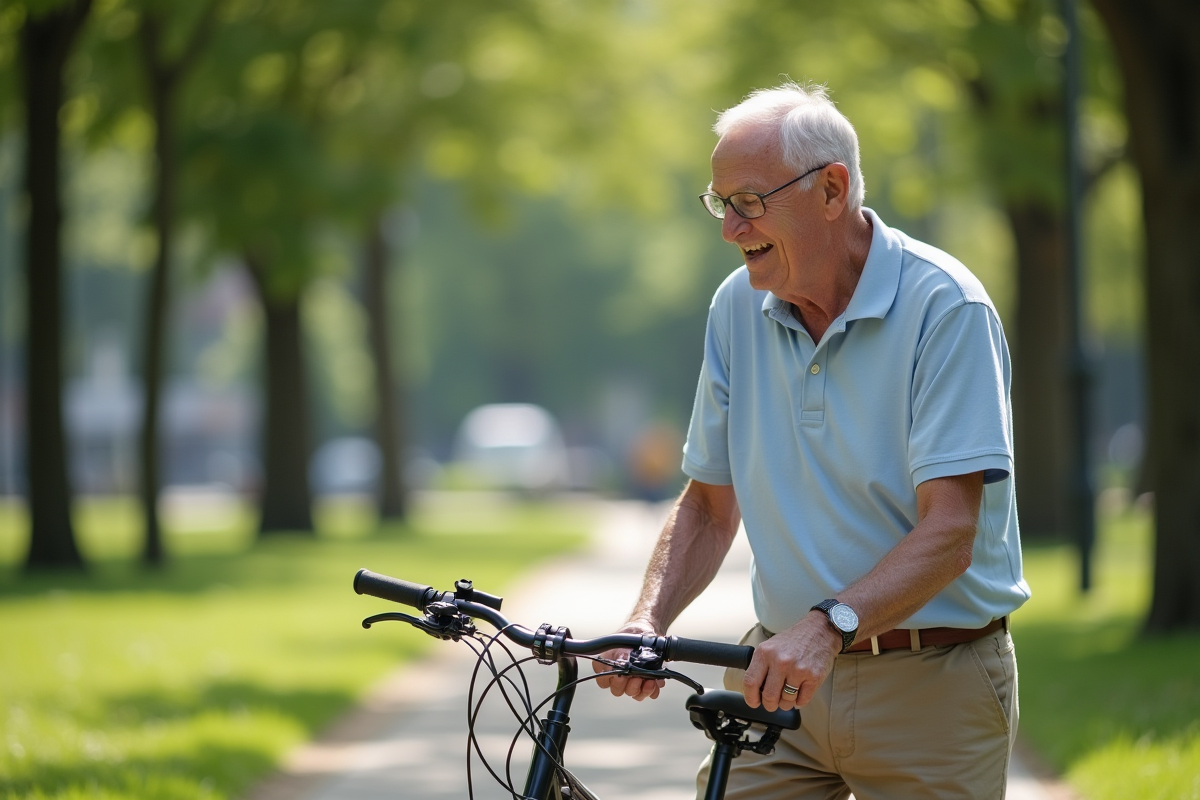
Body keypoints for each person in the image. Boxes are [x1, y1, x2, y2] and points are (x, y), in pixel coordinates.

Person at [594, 82, 1031, 799]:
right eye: (720, 203)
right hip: (777, 681)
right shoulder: (736, 307)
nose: (730, 228)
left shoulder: (945, 307)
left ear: (832, 190)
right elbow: (707, 506)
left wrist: (827, 628)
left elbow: (951, 532)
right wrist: (646, 619)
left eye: (749, 201)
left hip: (930, 687)